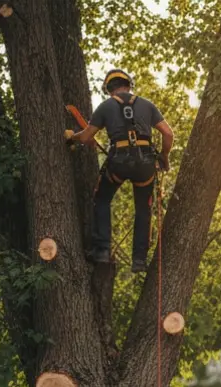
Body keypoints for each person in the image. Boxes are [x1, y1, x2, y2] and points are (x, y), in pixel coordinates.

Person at [69, 68, 173, 273]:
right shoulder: (147, 105)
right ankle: (139, 260)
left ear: (109, 88)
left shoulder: (106, 107)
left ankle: (102, 251)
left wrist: (71, 136)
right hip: (145, 164)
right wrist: (164, 156)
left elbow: (84, 137)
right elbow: (168, 134)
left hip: (119, 163)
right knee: (144, 209)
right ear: (129, 85)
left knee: (102, 199)